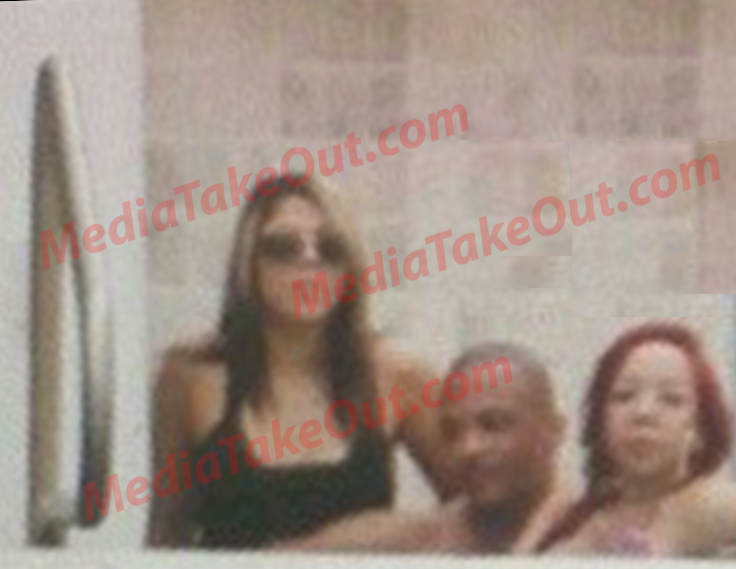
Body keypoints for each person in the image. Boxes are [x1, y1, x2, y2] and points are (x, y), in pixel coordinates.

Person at [146, 175, 446, 548]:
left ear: (350, 267)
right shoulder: (191, 378)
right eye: (283, 247)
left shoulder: (397, 373)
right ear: (248, 264)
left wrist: (398, 533)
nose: (309, 260)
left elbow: (478, 511)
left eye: (331, 248)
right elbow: (166, 536)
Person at [278, 342, 569, 554]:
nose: (468, 448)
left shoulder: (590, 533)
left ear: (554, 431)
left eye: (493, 425)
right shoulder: (423, 538)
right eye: (451, 432)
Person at [536, 322, 736, 557]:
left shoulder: (716, 507)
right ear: (600, 423)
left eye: (671, 400)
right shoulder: (575, 527)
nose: (643, 412)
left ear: (700, 430)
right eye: (624, 396)